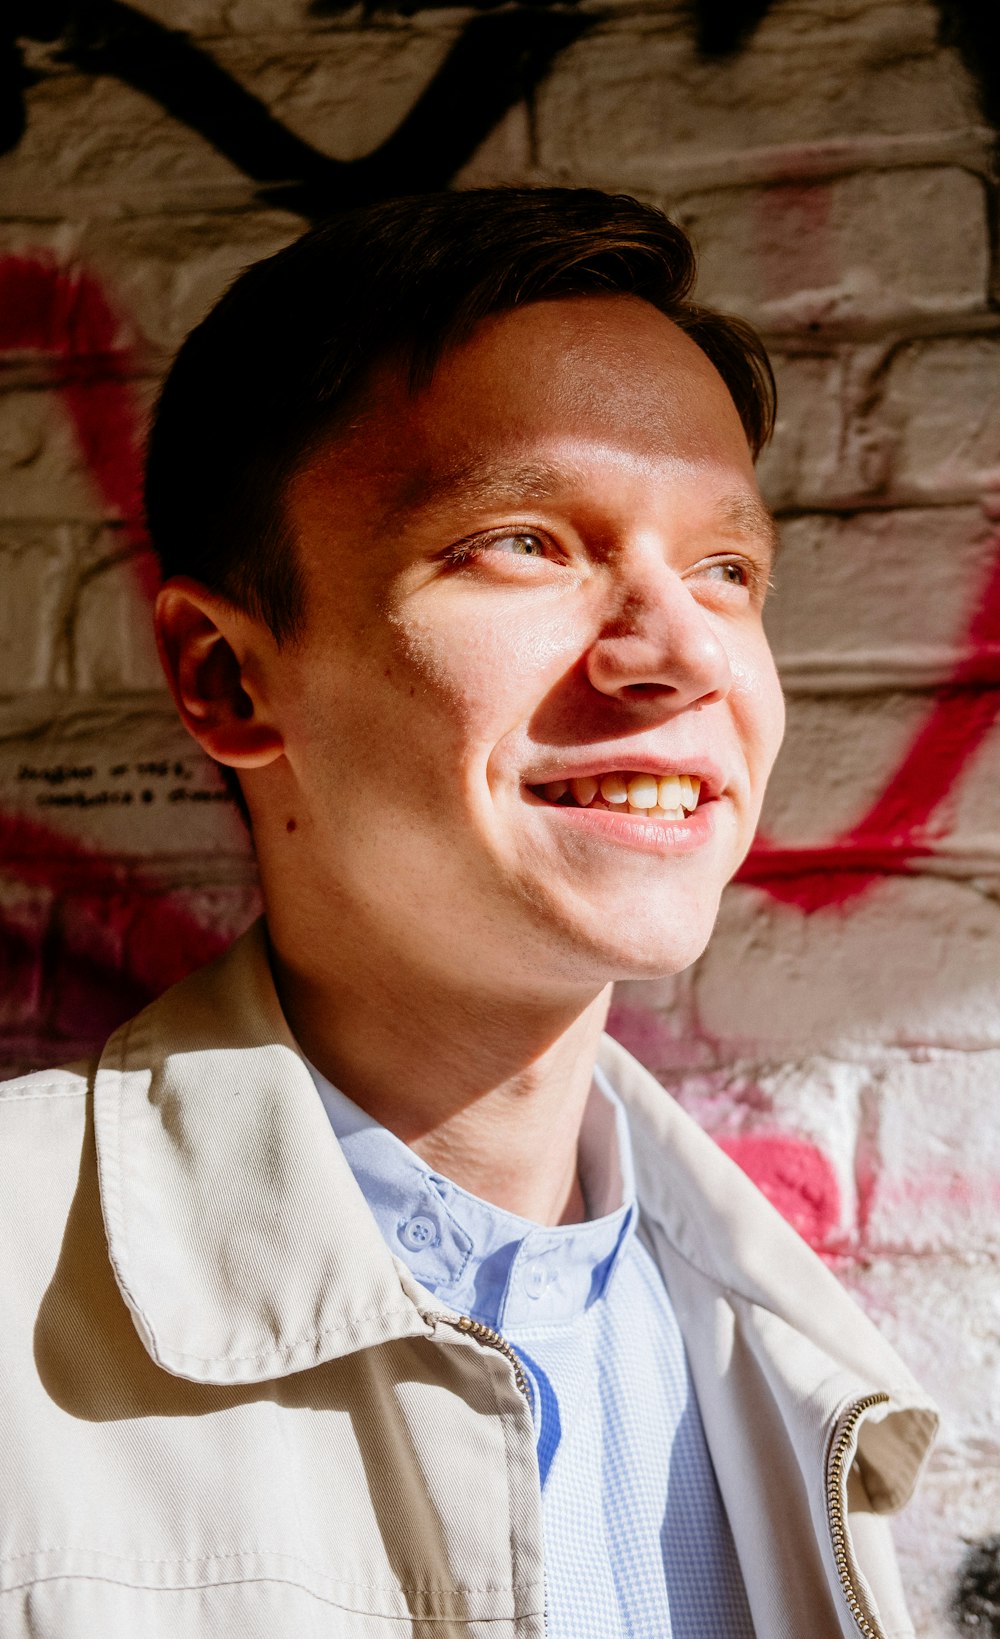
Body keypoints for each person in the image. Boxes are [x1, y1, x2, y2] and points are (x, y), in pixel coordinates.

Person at [1, 188, 936, 1639]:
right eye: (523, 542)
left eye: (726, 569)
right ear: (230, 680)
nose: (683, 654)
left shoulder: (792, 1354)